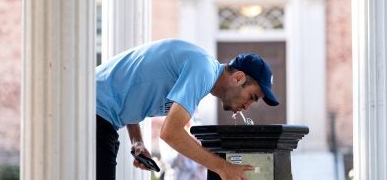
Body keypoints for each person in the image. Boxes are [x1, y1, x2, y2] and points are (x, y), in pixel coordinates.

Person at [96, 39, 279, 180]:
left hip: (101, 115)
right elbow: (170, 132)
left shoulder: (202, 73)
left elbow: (130, 89)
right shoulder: (204, 70)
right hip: (94, 111)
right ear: (238, 78)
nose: (247, 107)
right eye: (252, 97)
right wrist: (224, 167)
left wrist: (137, 141)